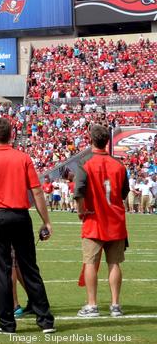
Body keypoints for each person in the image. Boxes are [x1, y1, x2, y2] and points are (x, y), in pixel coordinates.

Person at [0, 118, 56, 335]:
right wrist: (46, 221)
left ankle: (7, 324)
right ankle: (45, 320)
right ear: (11, 135)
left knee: (1, 271)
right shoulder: (23, 158)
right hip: (20, 216)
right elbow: (36, 191)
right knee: (29, 268)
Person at [74, 124, 128, 318]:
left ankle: (92, 305)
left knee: (90, 263)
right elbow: (123, 193)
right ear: (107, 141)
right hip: (115, 220)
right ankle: (115, 305)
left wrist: (82, 211)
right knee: (114, 264)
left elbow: (78, 191)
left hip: (94, 220)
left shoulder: (85, 163)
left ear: (91, 140)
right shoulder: (119, 164)